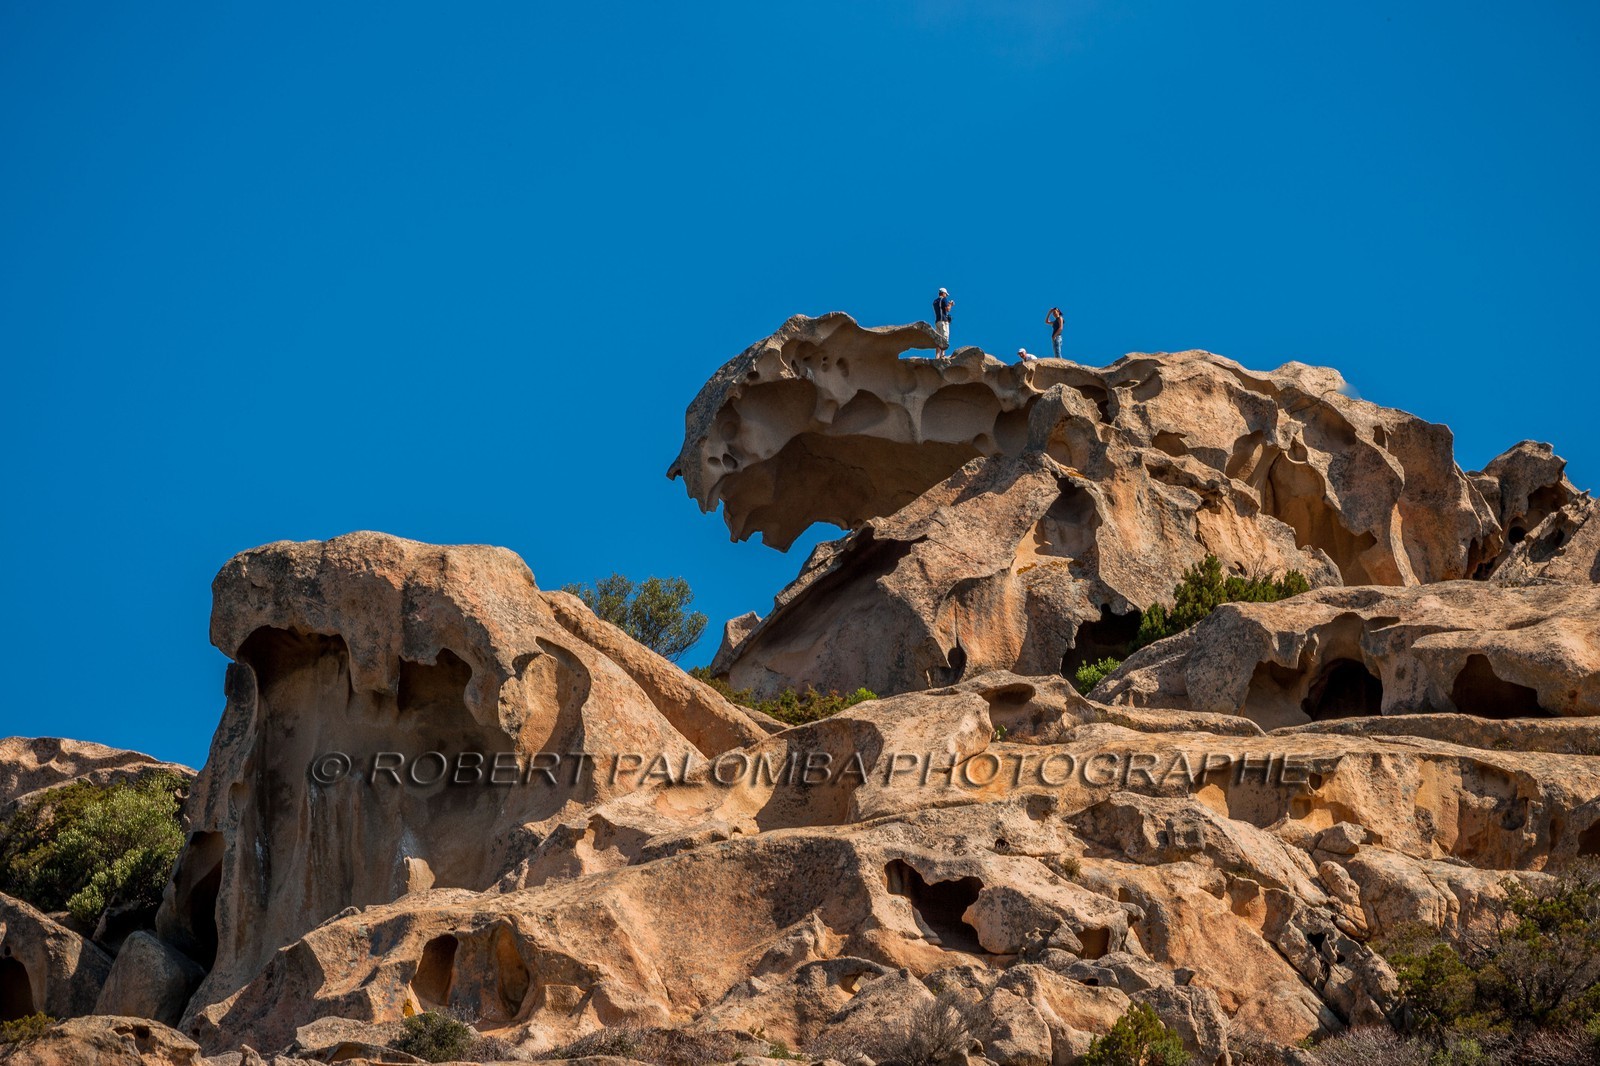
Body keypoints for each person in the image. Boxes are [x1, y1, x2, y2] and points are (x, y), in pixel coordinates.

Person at [932, 288, 953, 355]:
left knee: (938, 340)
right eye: (946, 294)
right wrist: (950, 304)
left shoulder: (935, 301)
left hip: (937, 322)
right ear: (943, 293)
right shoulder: (943, 299)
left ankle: (937, 356)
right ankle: (942, 354)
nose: (946, 296)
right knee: (945, 338)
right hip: (943, 321)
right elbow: (947, 309)